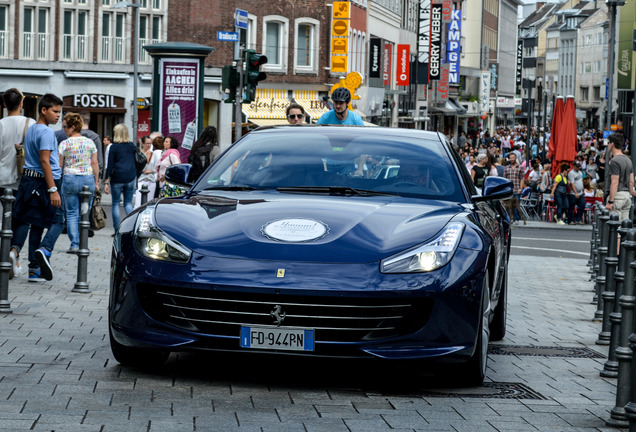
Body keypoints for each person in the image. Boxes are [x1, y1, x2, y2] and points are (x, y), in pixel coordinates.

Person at [9, 93, 63, 282]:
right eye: (55, 111)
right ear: (44, 110)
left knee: (36, 224)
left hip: (29, 180)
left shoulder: (32, 128)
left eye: (59, 112)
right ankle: (45, 249)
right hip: (47, 181)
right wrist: (53, 189)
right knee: (59, 219)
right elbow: (45, 160)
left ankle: (34, 269)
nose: (58, 116)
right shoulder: (47, 132)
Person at [58, 112, 99, 253]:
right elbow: (94, 163)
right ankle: (83, 244)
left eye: (65, 127)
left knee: (71, 213)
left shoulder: (64, 143)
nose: (64, 129)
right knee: (85, 213)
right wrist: (97, 181)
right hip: (87, 180)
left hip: (69, 179)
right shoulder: (90, 142)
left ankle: (74, 244)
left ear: (73, 127)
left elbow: (60, 165)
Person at [0, 88, 36, 196]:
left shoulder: (1, 124)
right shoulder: (31, 123)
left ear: (5, 104)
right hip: (23, 177)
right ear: (21, 104)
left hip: (2, 178)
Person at [104, 124, 137, 235]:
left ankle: (117, 230)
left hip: (117, 178)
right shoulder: (132, 146)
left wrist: (106, 180)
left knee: (116, 204)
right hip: (130, 177)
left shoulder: (114, 147)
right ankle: (132, 228)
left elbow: (110, 165)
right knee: (128, 204)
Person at [605, 133, 636, 221]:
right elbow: (631, 181)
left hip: (617, 195)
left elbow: (615, 182)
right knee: (624, 226)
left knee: (615, 226)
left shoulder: (615, 161)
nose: (608, 145)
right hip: (627, 196)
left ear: (612, 144)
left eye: (608, 143)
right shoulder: (628, 160)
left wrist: (610, 201)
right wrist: (631, 192)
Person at [134, 135, 159, 208]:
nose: (149, 145)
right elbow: (136, 167)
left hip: (151, 180)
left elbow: (156, 168)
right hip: (141, 180)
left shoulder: (153, 154)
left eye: (150, 143)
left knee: (149, 204)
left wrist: (150, 170)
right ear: (142, 143)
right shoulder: (139, 154)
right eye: (147, 143)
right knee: (138, 204)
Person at [503, 153, 525, 222]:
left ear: (516, 158)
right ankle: (510, 219)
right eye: (511, 158)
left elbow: (522, 178)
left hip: (516, 188)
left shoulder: (520, 167)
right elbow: (504, 179)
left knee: (516, 206)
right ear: (509, 159)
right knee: (508, 206)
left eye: (513, 158)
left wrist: (520, 188)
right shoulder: (506, 168)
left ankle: (516, 219)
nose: (512, 159)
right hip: (508, 190)